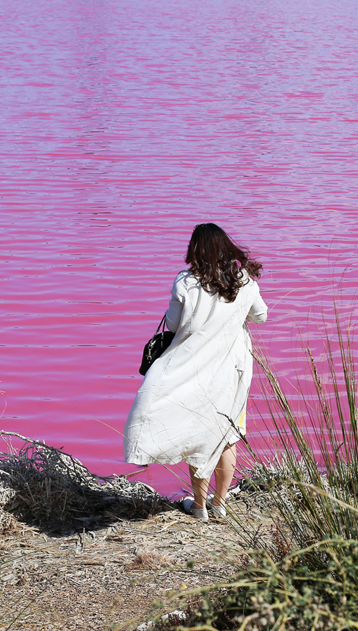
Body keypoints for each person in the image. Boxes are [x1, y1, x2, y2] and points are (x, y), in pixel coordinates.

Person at [123, 223, 268, 520]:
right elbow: (261, 316)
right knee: (227, 435)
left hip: (191, 369)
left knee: (198, 433)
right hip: (233, 371)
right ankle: (220, 504)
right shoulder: (244, 281)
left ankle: (199, 507)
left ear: (195, 250)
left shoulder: (185, 282)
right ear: (227, 248)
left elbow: (174, 325)